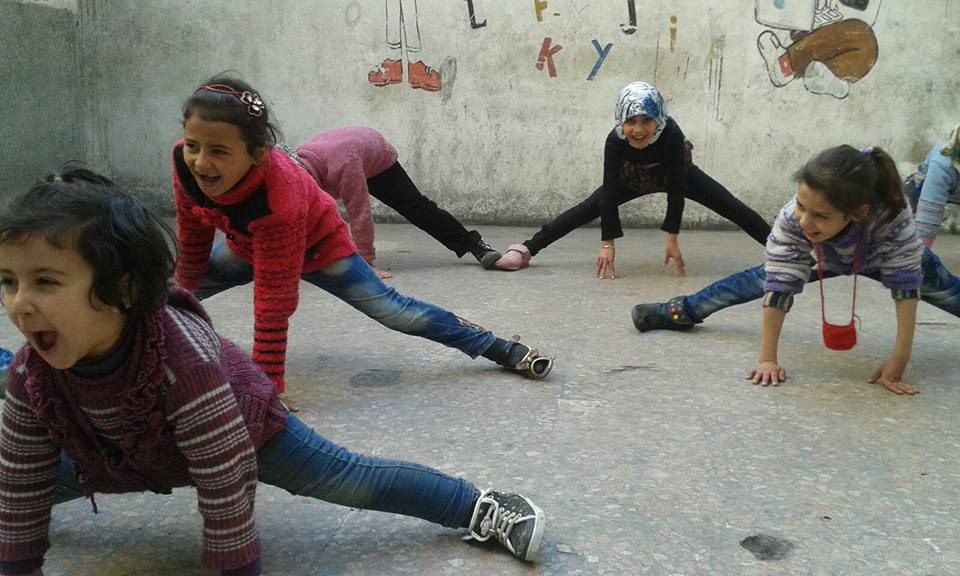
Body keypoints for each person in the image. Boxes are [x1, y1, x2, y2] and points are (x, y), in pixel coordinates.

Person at [0, 169, 545, 576]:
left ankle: (478, 505)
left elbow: (224, 481)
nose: (21, 304)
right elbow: (20, 481)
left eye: (46, 282)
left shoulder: (180, 359)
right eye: (8, 281)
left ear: (122, 290)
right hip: (117, 455)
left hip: (242, 432)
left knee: (351, 477)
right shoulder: (30, 373)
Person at [172, 74, 552, 394]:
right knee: (165, 294)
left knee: (395, 311)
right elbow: (192, 237)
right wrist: (182, 301)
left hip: (321, 249)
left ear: (258, 153)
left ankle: (499, 348)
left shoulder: (284, 195)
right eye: (193, 146)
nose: (202, 162)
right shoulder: (183, 162)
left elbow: (274, 299)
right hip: (248, 245)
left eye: (219, 151)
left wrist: (268, 389)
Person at [632, 145, 960, 395]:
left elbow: (906, 286)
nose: (805, 220)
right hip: (824, 253)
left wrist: (899, 360)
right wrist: (767, 359)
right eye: (802, 207)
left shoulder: (890, 215)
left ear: (858, 212)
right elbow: (778, 283)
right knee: (753, 281)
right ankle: (680, 311)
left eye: (820, 215)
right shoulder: (795, 220)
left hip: (878, 254)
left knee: (950, 294)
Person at [493, 81, 771, 279]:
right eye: (631, 121)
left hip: (674, 174)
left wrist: (672, 237)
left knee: (730, 205)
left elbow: (676, 188)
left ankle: (783, 249)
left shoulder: (671, 134)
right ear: (620, 120)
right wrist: (607, 244)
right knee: (589, 206)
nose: (638, 130)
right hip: (632, 178)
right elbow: (610, 193)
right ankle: (527, 248)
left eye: (646, 121)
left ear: (658, 120)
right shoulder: (615, 141)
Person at [295, 126, 502, 279]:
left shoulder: (343, 167)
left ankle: (475, 245)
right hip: (345, 150)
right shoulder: (294, 167)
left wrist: (365, 262)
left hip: (376, 155)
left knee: (416, 207)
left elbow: (360, 213)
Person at [904, 124, 959, 247]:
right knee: (905, 216)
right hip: (922, 187)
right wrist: (921, 256)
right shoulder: (942, 164)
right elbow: (927, 220)